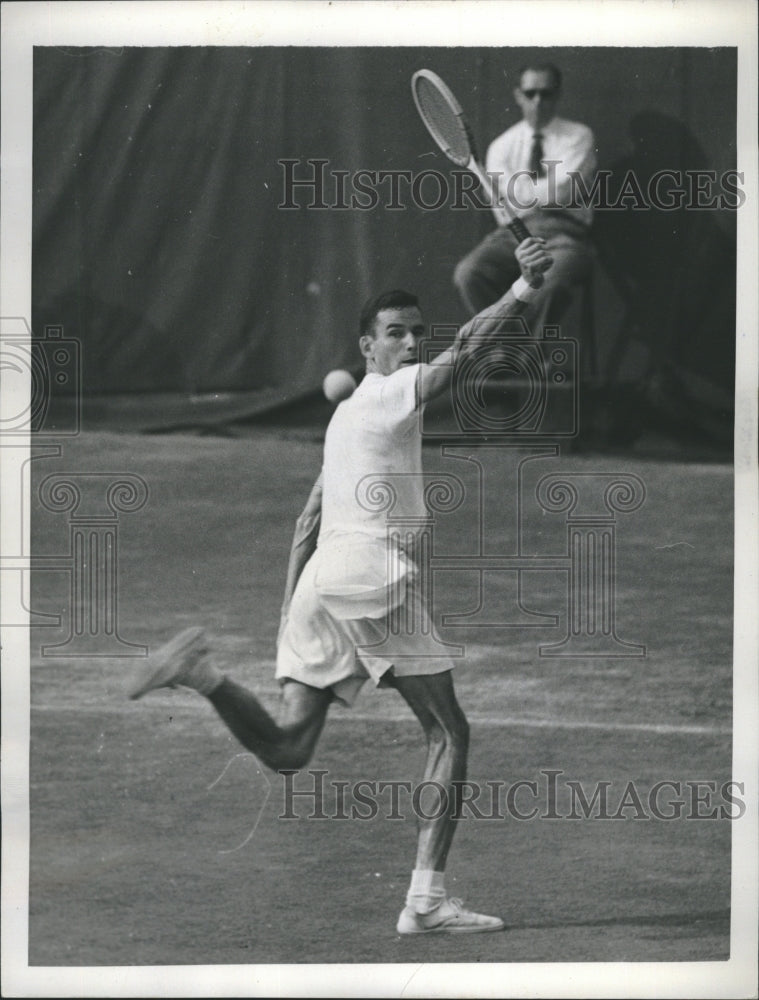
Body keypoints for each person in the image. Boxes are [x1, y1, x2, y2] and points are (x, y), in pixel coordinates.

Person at [130, 236, 552, 935]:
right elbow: (468, 354)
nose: (413, 342)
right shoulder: (387, 395)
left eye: (419, 331)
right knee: (448, 733)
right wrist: (522, 291)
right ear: (367, 348)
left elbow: (306, 521)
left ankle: (204, 677)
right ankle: (423, 900)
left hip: (323, 582)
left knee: (289, 750)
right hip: (372, 577)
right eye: (396, 334)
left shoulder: (343, 418)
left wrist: (289, 618)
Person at [454, 63, 596, 332]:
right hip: (512, 235)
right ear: (518, 95)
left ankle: (528, 359)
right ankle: (512, 352)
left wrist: (514, 191)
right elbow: (503, 205)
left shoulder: (579, 137)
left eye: (546, 93)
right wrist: (541, 193)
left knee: (551, 282)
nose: (538, 101)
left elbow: (562, 192)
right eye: (530, 93)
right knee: (469, 273)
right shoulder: (501, 146)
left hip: (566, 235)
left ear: (558, 95)